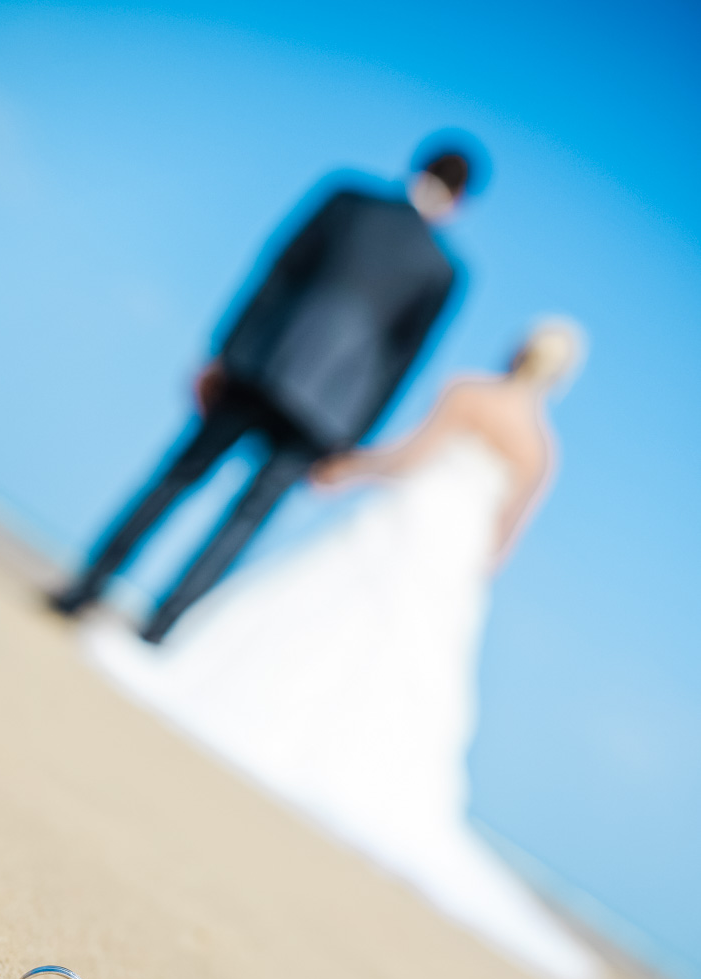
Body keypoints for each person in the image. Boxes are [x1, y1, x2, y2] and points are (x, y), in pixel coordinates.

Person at [82, 321, 604, 979]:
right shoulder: (541, 450)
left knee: (323, 611)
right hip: (451, 556)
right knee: (411, 673)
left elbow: (414, 455)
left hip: (411, 522)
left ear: (519, 350)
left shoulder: (470, 392)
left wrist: (350, 467)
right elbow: (502, 545)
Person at [47, 136, 486, 642]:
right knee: (244, 521)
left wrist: (226, 349)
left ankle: (86, 587)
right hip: (327, 414)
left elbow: (278, 272)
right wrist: (351, 440)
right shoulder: (444, 271)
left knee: (178, 478)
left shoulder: (348, 200)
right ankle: (160, 628)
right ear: (462, 200)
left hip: (264, 365)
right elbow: (400, 364)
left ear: (417, 165)